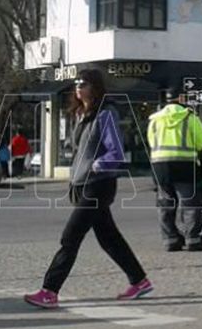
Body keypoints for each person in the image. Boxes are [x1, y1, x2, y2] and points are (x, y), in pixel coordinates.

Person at [25, 68, 152, 308]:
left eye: (83, 84)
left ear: (95, 87)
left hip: (98, 185)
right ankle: (140, 281)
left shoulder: (106, 114)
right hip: (83, 184)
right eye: (76, 84)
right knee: (109, 238)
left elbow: (115, 151)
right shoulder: (83, 114)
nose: (78, 88)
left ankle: (49, 291)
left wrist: (97, 164)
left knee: (70, 237)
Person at [148, 89, 202, 252]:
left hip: (160, 165)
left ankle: (170, 240)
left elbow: (151, 141)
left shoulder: (155, 119)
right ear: (181, 99)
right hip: (185, 165)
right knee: (189, 203)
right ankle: (193, 240)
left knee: (165, 203)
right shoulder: (189, 117)